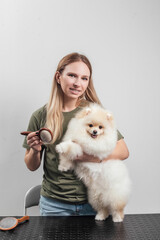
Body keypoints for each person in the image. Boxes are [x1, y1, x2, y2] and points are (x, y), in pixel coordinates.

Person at [23, 52, 129, 216]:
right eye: (72, 75)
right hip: (54, 205)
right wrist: (35, 150)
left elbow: (123, 151)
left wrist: (89, 156)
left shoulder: (93, 113)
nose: (78, 83)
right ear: (58, 77)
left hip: (94, 202)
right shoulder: (40, 116)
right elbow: (31, 166)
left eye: (84, 78)